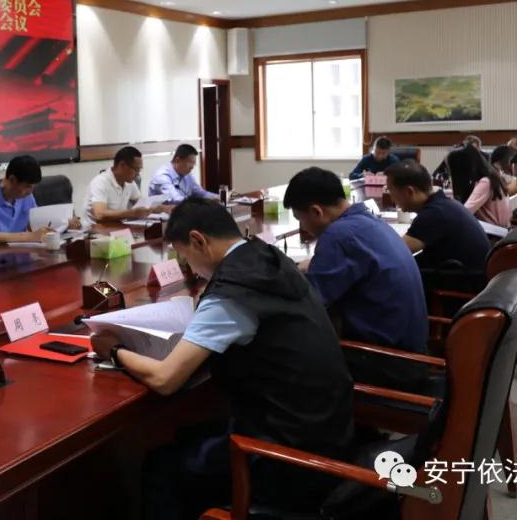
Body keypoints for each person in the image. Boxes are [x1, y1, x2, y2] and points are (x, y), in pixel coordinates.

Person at [91, 198, 353, 519]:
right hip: (327, 430)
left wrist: (113, 350)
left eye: (185, 257)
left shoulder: (231, 293)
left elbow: (165, 379)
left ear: (198, 241)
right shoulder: (266, 258)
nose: (189, 269)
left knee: (163, 466)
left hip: (285, 458)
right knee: (189, 435)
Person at [282, 168, 427, 355]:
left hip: (386, 358)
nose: (303, 227)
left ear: (316, 212)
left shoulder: (338, 236)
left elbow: (309, 303)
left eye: (300, 219)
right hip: (411, 346)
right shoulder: (369, 220)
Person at [386, 161, 491, 273]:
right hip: (471, 273)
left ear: (409, 191)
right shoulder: (443, 204)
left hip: (466, 280)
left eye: (391, 191)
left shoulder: (434, 214)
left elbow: (394, 253)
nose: (391, 198)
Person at [0, 155, 77, 249]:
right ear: (12, 179)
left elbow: (35, 226)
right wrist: (31, 236)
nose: (31, 191)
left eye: (32, 187)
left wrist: (65, 225)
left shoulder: (27, 197)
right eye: (27, 186)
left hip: (16, 253)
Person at [84, 146, 171, 227]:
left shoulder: (129, 182)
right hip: (96, 230)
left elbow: (142, 203)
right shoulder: (100, 182)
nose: (138, 174)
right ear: (122, 165)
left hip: (117, 228)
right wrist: (132, 213)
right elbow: (99, 214)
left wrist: (158, 208)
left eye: (139, 170)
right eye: (136, 169)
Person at [447, 145, 512, 228]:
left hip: (495, 232)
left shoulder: (486, 182)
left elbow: (464, 213)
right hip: (500, 229)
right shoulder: (492, 177)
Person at [147, 144, 219, 202]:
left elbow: (202, 194)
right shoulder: (162, 176)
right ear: (177, 160)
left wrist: (219, 197)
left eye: (194, 163)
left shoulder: (186, 175)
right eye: (190, 162)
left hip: (182, 213)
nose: (192, 167)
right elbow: (176, 200)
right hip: (163, 215)